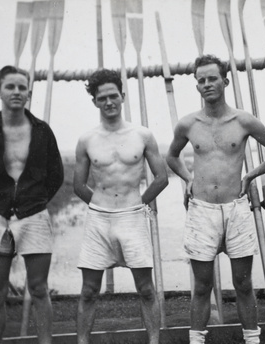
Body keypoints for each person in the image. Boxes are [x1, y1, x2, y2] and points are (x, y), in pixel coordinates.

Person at [166, 54, 265, 344]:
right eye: (201, 80)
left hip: (236, 209)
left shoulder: (243, 120)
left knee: (243, 284)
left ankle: (252, 340)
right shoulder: (188, 124)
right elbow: (171, 156)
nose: (207, 84)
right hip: (201, 210)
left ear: (225, 81)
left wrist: (251, 175)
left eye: (212, 78)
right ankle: (197, 341)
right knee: (202, 286)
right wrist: (188, 178)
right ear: (196, 85)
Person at [0, 65, 64, 344]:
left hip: (34, 216)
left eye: (22, 87)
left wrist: (32, 202)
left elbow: (56, 175)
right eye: (10, 86)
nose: (16, 92)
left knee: (38, 288)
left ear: (29, 93)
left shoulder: (42, 131)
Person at [73, 69, 168, 344]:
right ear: (95, 101)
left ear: (122, 96)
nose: (109, 102)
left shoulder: (142, 134)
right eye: (102, 98)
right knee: (89, 290)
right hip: (99, 219)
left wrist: (138, 204)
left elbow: (161, 178)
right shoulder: (87, 139)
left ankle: (153, 342)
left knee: (146, 289)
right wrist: (102, 207)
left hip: (133, 216)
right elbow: (78, 186)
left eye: (113, 95)